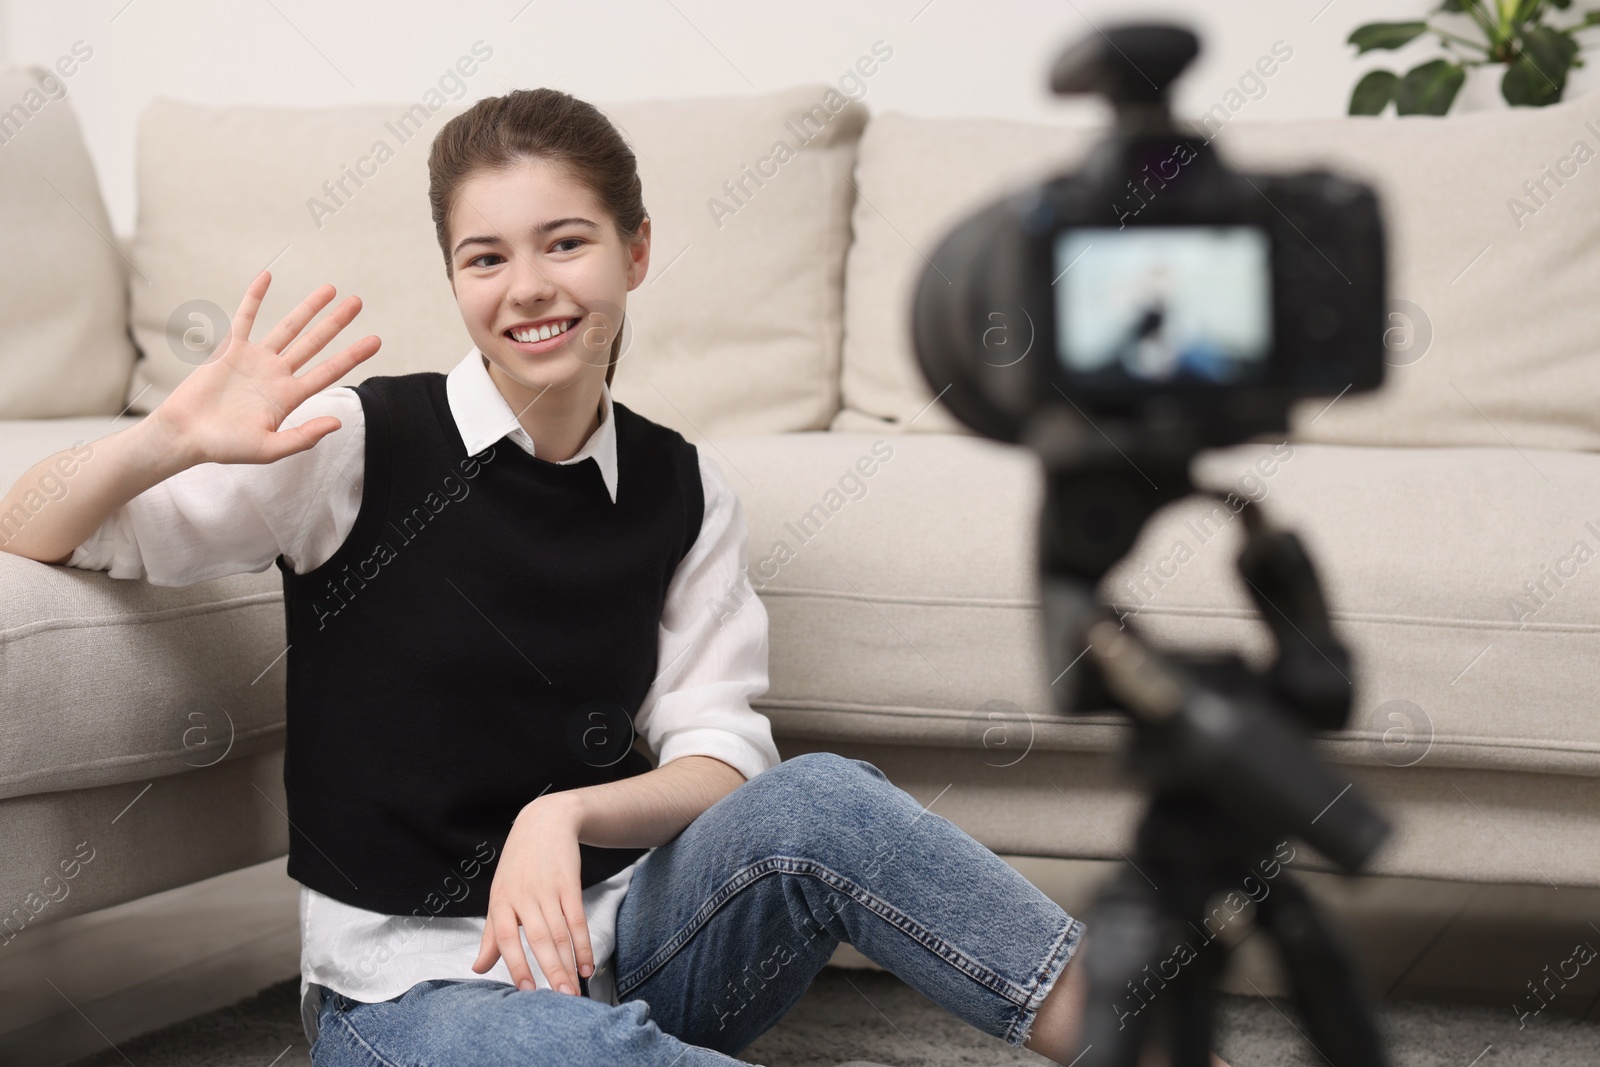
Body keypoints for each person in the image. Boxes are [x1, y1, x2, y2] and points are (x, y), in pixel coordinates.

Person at [0, 87, 1228, 1067]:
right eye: (485, 257)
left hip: (629, 939)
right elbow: (35, 529)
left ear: (635, 252)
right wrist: (163, 437)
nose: (526, 286)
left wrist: (569, 813)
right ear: (455, 281)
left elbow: (722, 753)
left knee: (826, 800)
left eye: (565, 242)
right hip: (410, 1000)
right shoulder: (354, 442)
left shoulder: (683, 488)